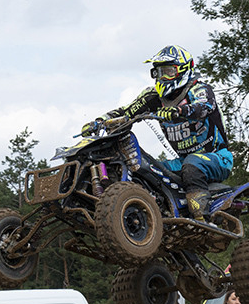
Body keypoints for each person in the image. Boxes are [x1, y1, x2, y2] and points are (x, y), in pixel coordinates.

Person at [81, 45, 232, 222]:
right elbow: (127, 112)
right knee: (149, 171)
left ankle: (201, 217)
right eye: (158, 72)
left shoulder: (199, 90)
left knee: (192, 164)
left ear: (184, 69)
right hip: (181, 161)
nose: (163, 77)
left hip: (216, 157)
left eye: (168, 71)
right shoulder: (153, 97)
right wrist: (100, 120)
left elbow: (203, 107)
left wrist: (179, 111)